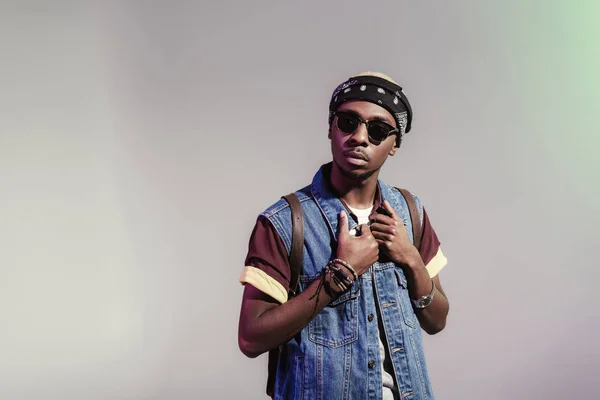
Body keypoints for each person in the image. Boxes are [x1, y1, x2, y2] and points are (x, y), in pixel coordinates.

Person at [238, 71, 450, 400]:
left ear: (394, 145)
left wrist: (410, 258)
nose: (360, 137)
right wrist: (341, 274)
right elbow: (251, 338)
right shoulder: (285, 223)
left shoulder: (410, 212)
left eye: (378, 130)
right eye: (348, 122)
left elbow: (437, 320)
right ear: (330, 128)